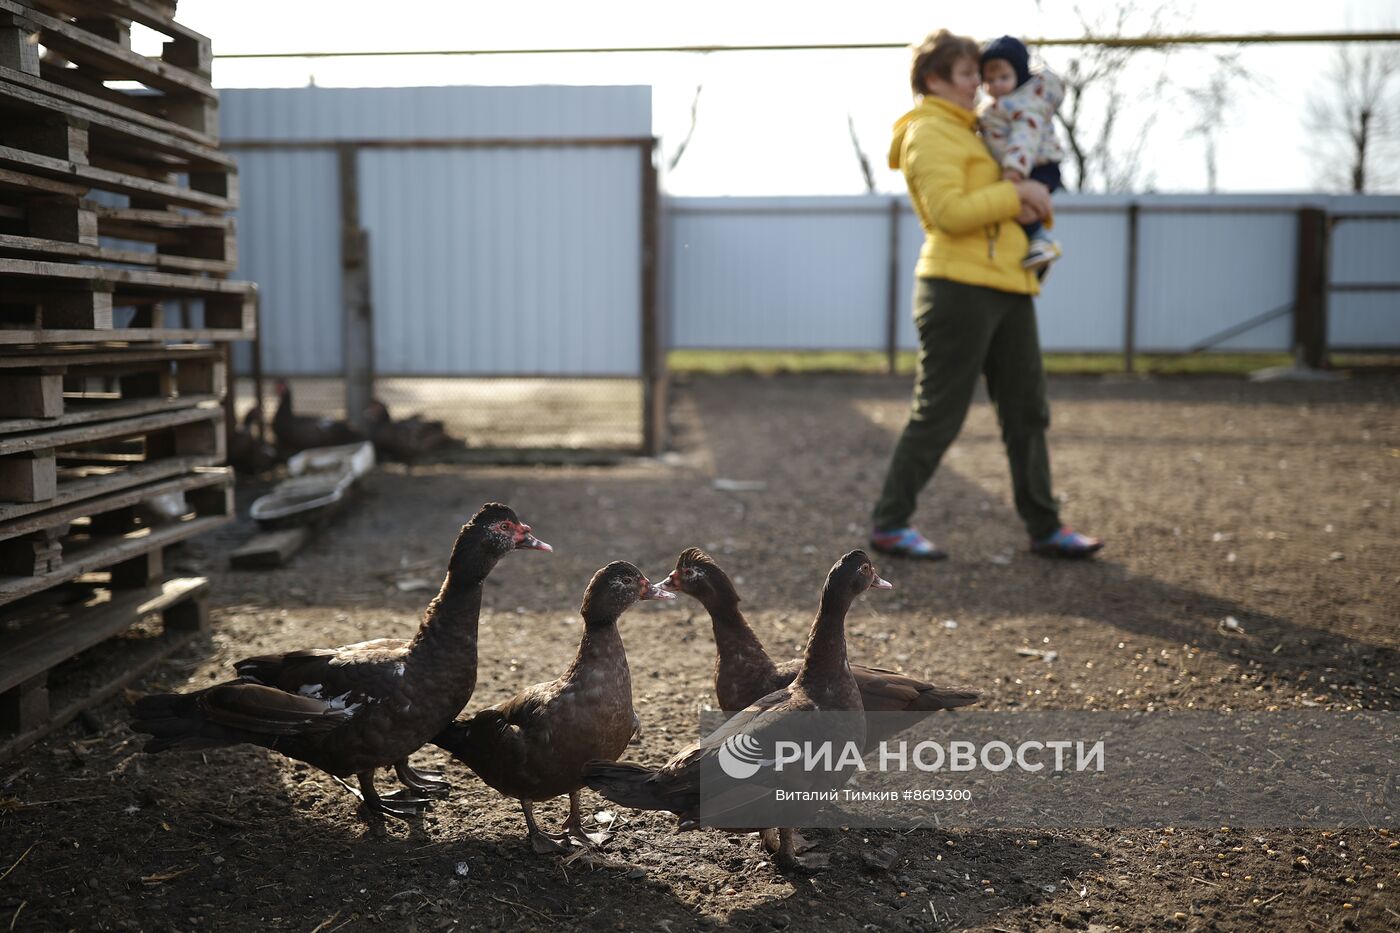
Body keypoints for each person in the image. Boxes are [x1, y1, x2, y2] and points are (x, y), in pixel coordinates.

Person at [869, 29, 1102, 561]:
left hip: (1010, 281)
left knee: (1027, 409)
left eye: (979, 72)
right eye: (968, 73)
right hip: (957, 287)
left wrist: (1030, 202)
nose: (981, 82)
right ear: (934, 79)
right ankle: (890, 522)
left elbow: (1010, 198)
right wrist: (1017, 192)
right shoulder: (928, 132)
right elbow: (949, 214)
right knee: (941, 412)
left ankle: (1045, 527)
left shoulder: (979, 130)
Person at [977, 35, 1066, 274]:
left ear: (1019, 76)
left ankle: (1041, 243)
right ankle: (1036, 248)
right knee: (1016, 207)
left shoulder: (1025, 105)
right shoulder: (997, 106)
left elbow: (1025, 138)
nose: (996, 85)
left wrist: (1014, 169)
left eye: (1004, 78)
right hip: (1025, 164)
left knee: (1020, 206)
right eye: (989, 80)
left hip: (1038, 165)